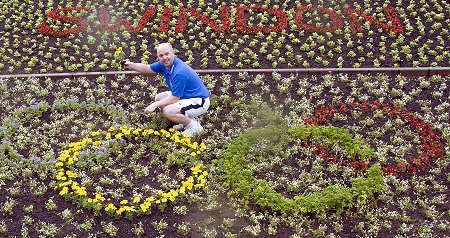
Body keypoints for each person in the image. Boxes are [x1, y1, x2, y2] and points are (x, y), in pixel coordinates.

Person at [122, 43, 210, 137]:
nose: (164, 57)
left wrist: (154, 105)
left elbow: (174, 99)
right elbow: (147, 68)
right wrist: (130, 65)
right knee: (159, 98)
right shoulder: (164, 65)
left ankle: (195, 127)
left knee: (168, 111)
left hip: (199, 101)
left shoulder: (179, 72)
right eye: (161, 55)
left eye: (167, 54)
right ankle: (183, 121)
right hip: (186, 96)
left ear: (173, 53)